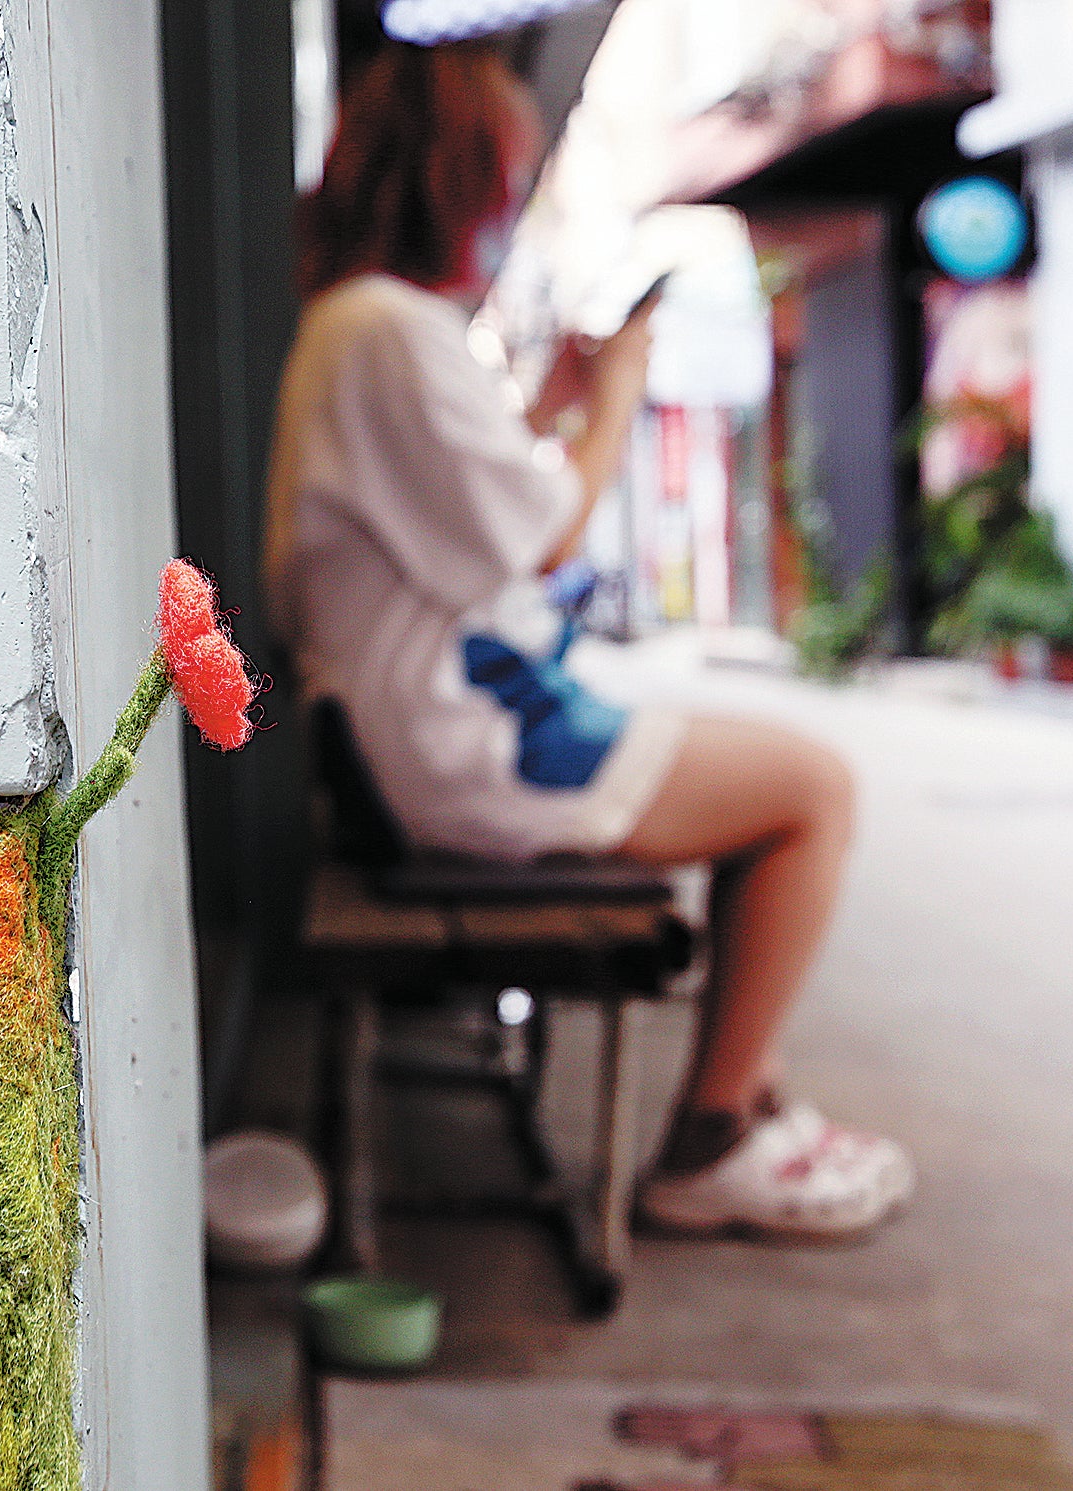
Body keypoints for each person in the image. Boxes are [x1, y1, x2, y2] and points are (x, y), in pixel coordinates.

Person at [263, 42, 913, 1241]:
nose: (513, 209)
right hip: (475, 747)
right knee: (812, 788)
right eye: (507, 179)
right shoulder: (390, 332)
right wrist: (616, 389)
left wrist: (557, 404)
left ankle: (746, 1101)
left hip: (423, 736)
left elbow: (465, 507)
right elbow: (547, 533)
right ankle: (715, 1135)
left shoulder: (353, 326)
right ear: (463, 180)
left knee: (776, 782)